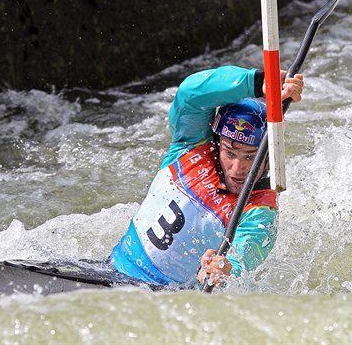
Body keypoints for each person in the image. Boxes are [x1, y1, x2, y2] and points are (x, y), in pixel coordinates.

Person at [110, 65, 304, 289]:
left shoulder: (260, 212)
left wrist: (224, 269)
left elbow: (244, 257)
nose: (237, 168)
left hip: (161, 296)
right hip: (111, 269)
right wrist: (256, 83)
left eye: (251, 157)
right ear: (218, 142)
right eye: (230, 152)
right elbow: (190, 94)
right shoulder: (190, 147)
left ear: (269, 156)